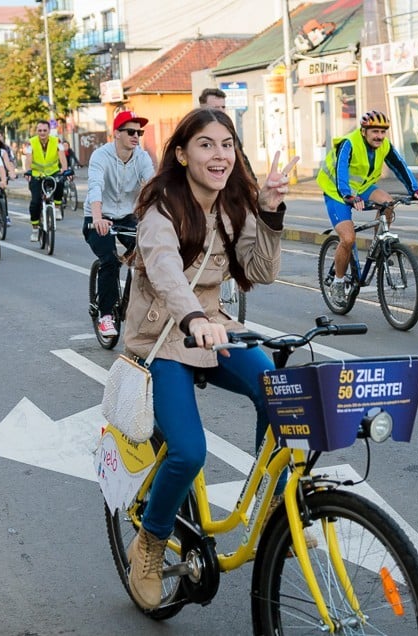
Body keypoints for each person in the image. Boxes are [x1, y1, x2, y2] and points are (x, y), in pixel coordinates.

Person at [122, 107, 298, 610]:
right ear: (182, 154)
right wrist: (193, 319)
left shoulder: (232, 206)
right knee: (188, 452)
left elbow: (260, 271)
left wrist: (268, 212)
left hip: (214, 327)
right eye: (206, 144)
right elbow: (164, 273)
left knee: (277, 390)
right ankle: (150, 543)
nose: (219, 154)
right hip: (164, 337)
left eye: (227, 144)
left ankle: (275, 515)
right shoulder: (161, 211)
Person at [315, 110, 418, 305]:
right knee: (348, 239)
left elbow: (400, 166)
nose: (379, 136)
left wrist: (415, 189)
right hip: (336, 190)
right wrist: (348, 195)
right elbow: (341, 169)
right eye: (375, 131)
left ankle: (380, 244)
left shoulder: (384, 146)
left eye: (383, 132)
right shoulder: (349, 143)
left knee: (388, 202)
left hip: (362, 187)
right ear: (364, 131)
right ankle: (339, 282)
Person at [83, 110, 155, 337]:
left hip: (127, 216)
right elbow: (95, 186)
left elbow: (153, 187)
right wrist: (97, 218)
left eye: (139, 132)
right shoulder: (100, 156)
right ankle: (105, 315)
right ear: (116, 134)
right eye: (131, 131)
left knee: (149, 255)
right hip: (98, 216)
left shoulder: (141, 157)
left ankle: (140, 305)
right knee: (110, 260)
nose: (136, 136)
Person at [198, 87, 255, 181]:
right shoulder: (192, 131)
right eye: (215, 108)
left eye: (223, 107)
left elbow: (242, 160)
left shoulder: (229, 132)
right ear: (202, 107)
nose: (221, 111)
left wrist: (253, 183)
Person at [25, 120, 68, 241]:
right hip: (36, 174)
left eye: (45, 130)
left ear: (49, 131)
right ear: (36, 131)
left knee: (60, 182)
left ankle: (58, 206)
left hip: (53, 172)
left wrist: (64, 170)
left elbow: (62, 157)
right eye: (40, 130)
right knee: (35, 202)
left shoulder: (56, 141)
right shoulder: (31, 142)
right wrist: (28, 172)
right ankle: (34, 229)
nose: (42, 133)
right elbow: (28, 159)